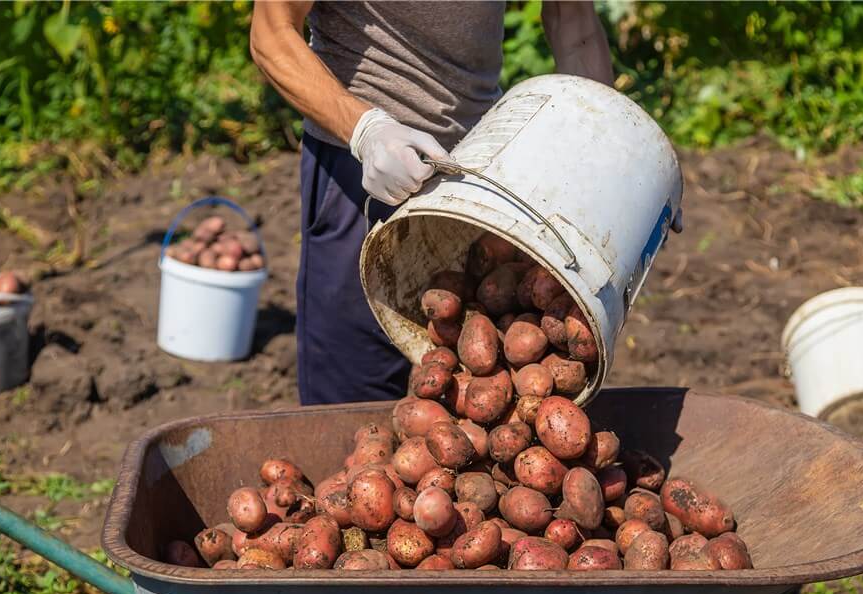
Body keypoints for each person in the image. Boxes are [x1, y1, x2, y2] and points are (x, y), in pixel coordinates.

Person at [250, 1, 613, 406]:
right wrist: (366, 131)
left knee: (482, 394)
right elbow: (271, 34)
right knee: (353, 401)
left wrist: (605, 149)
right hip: (364, 170)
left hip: (477, 173)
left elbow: (572, 16)